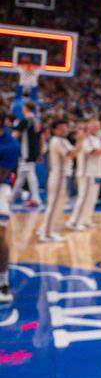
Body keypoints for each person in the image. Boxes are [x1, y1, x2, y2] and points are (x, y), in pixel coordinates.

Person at [35, 119, 80, 243]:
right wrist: (81, 140)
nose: (64, 129)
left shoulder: (63, 140)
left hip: (61, 176)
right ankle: (46, 234)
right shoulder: (57, 141)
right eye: (61, 127)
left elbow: (73, 153)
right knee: (54, 206)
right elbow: (71, 154)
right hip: (59, 177)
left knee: (56, 205)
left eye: (65, 127)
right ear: (54, 130)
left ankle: (45, 228)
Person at [0, 107, 18, 304]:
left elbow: (1, 175)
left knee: (0, 236)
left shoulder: (10, 145)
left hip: (0, 187)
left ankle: (2, 283)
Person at [11, 101, 42, 209]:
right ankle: (11, 199)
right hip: (33, 151)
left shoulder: (24, 121)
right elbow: (39, 138)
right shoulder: (37, 120)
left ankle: (36, 199)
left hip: (25, 152)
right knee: (24, 176)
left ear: (26, 108)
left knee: (28, 176)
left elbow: (14, 135)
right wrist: (39, 152)